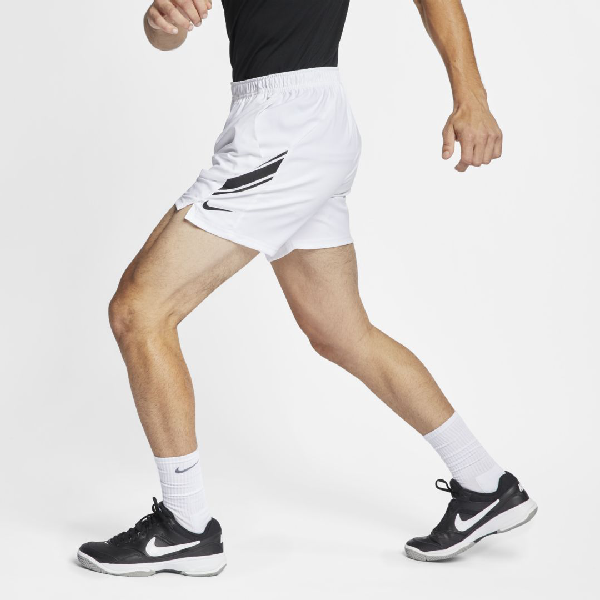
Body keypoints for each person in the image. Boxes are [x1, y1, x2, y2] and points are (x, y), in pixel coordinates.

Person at [77, 0, 537, 576]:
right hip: (282, 121)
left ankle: (185, 526)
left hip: (290, 125)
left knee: (139, 312)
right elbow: (169, 33)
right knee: (341, 332)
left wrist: (471, 95)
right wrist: (161, 20)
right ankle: (485, 484)